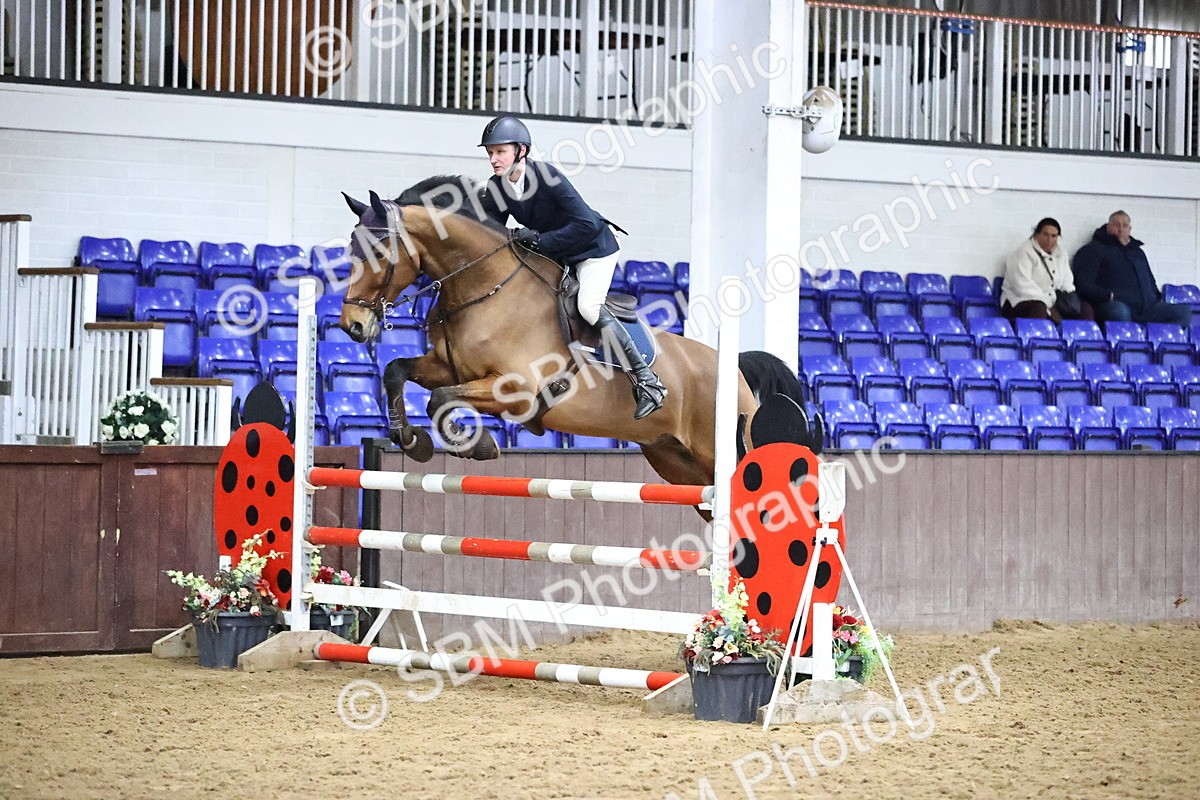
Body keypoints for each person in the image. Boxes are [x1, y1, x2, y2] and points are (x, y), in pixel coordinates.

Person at [475, 115, 666, 420]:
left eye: (500, 152)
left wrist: (538, 239)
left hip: (592, 249)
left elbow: (587, 224)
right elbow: (491, 230)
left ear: (521, 151)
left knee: (589, 307)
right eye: (490, 153)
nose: (494, 159)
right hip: (558, 254)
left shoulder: (548, 178)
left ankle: (648, 381)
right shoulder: (498, 186)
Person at [1072, 210, 1192, 327]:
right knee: (1120, 312)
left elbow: (1150, 280)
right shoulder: (1092, 251)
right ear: (1108, 228)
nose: (1121, 229)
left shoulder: (1138, 252)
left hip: (1148, 308)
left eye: (1125, 225)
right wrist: (1107, 296)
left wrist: (1154, 295)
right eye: (1116, 225)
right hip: (1114, 305)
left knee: (1183, 312)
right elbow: (1084, 284)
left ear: (1129, 229)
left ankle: (1156, 344)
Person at [1000, 217, 1093, 323]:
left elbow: (1067, 282)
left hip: (1053, 302)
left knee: (1085, 308)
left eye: (1054, 236)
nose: (1049, 240)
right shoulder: (1022, 253)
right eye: (1045, 235)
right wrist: (1048, 304)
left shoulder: (1061, 254)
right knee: (1039, 308)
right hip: (1020, 302)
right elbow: (1022, 287)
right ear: (1036, 234)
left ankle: (1080, 338)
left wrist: (1069, 300)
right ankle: (1036, 339)